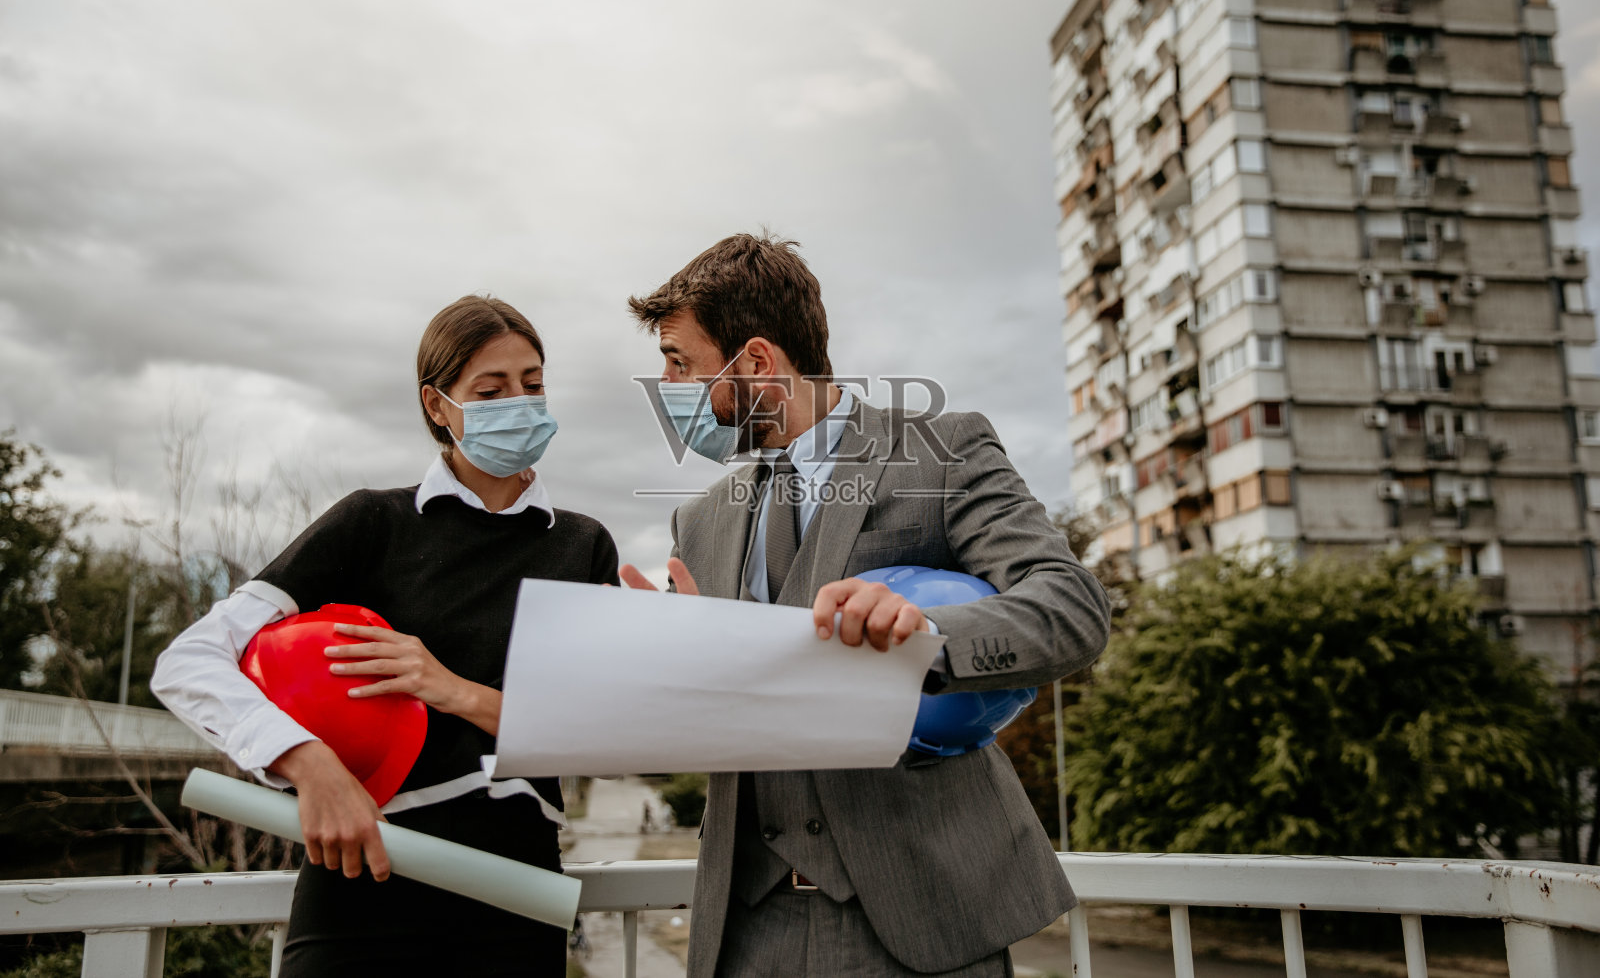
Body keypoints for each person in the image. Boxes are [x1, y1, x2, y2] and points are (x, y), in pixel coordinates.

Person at [621, 234, 1111, 977]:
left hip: (925, 919)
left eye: (680, 363)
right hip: (745, 934)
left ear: (755, 362)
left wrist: (929, 633)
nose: (665, 384)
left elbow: (1070, 606)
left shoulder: (940, 451)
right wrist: (647, 654)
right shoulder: (699, 521)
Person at [152, 295, 618, 978]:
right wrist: (309, 765)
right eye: (490, 389)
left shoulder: (583, 546)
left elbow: (596, 730)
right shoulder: (372, 523)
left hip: (514, 894)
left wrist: (450, 689)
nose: (518, 401)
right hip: (360, 880)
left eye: (533, 383)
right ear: (437, 405)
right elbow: (188, 661)